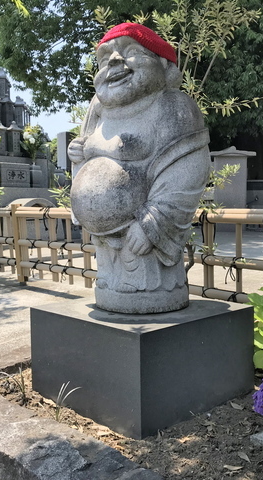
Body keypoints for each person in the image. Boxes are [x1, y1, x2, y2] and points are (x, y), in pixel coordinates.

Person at [68, 23, 211, 314]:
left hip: (144, 237)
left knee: (149, 285)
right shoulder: (98, 108)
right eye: (105, 57)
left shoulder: (172, 106)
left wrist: (152, 223)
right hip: (106, 243)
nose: (114, 61)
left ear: (163, 65)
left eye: (131, 51)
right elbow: (86, 152)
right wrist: (78, 154)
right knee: (113, 282)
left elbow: (187, 168)